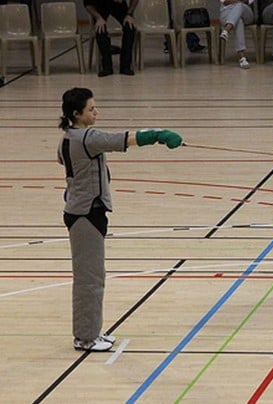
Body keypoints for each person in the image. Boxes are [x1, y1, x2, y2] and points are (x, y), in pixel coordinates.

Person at [57, 88, 183, 351]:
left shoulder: (67, 139)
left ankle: (92, 331)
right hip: (85, 215)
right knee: (89, 278)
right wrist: (158, 135)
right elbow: (122, 139)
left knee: (93, 275)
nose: (96, 112)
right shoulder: (88, 137)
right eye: (91, 109)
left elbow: (66, 164)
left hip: (83, 210)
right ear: (77, 114)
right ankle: (86, 337)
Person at [84, 0, 138, 77]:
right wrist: (98, 18)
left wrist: (129, 14)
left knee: (130, 27)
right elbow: (88, 5)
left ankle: (125, 66)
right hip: (100, 7)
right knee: (100, 29)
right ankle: (107, 67)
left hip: (118, 7)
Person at [219, 0, 256, 69]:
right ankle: (242, 58)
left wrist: (236, 1)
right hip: (226, 13)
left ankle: (227, 29)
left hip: (245, 12)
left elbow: (248, 1)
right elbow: (225, 1)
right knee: (238, 21)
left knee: (239, 5)